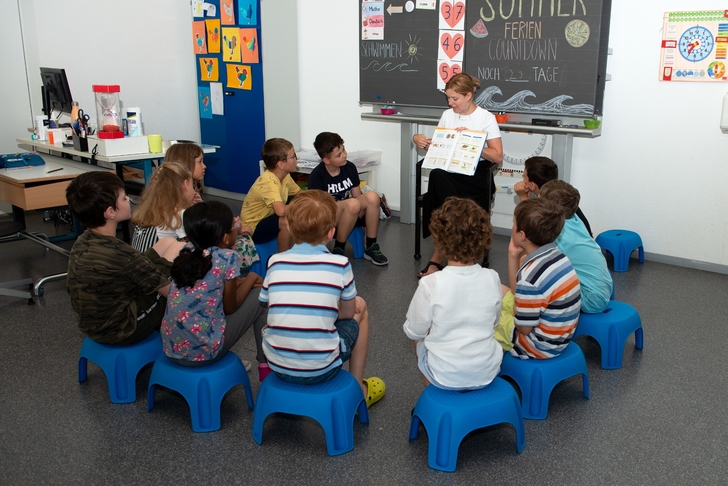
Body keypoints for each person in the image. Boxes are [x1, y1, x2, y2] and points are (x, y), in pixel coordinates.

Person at [259, 190, 385, 406]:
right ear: (331, 233)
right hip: (321, 369)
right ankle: (358, 391)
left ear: (289, 227)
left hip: (277, 364)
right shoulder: (340, 265)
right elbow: (346, 314)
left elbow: (268, 303)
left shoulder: (275, 262)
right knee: (360, 306)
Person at [66, 171, 185, 345]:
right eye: (123, 198)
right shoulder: (121, 253)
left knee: (167, 242)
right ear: (110, 212)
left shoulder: (83, 241)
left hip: (93, 324)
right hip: (123, 329)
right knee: (178, 247)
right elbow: (170, 293)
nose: (128, 200)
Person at [403, 197, 504, 390]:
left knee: (419, 337)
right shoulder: (492, 277)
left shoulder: (430, 283)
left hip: (444, 376)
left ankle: (432, 395)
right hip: (487, 372)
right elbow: (495, 322)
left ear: (439, 241)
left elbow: (413, 330)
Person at [413, 72, 503, 277]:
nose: (451, 103)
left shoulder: (485, 118)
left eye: (455, 98)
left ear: (469, 95)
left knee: (440, 186)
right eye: (448, 98)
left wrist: (471, 141)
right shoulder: (447, 115)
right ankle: (450, 250)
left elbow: (497, 156)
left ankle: (438, 256)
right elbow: (440, 146)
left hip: (476, 175)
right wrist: (419, 139)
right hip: (451, 171)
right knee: (437, 175)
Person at [161, 201, 268, 371]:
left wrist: (244, 282)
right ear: (225, 237)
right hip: (204, 353)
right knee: (261, 296)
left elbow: (212, 287)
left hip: (171, 348)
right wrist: (251, 278)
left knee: (251, 287)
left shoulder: (188, 251)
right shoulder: (226, 257)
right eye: (234, 225)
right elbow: (230, 307)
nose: (237, 226)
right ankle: (265, 366)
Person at [505, 198, 581, 359]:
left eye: (513, 223)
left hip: (537, 346)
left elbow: (524, 329)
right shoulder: (557, 256)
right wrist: (513, 255)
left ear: (522, 235)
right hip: (559, 337)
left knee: (487, 315)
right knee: (499, 290)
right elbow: (516, 292)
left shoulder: (530, 277)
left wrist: (514, 311)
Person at [308, 132, 388, 265]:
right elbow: (319, 210)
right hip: (328, 218)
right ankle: (339, 248)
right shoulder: (317, 176)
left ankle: (371, 245)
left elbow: (357, 196)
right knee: (352, 204)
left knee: (373, 197)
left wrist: (365, 223)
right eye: (338, 155)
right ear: (326, 160)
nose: (344, 155)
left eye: (343, 149)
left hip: (351, 212)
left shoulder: (350, 167)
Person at [540, 180, 612, 313]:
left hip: (592, 299)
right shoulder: (574, 220)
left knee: (540, 272)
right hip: (602, 288)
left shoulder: (560, 233)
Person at [241, 138, 300, 253]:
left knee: (295, 211)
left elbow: (299, 194)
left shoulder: (285, 176)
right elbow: (281, 211)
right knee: (287, 220)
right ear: (280, 164)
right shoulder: (269, 180)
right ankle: (282, 260)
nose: (296, 159)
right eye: (293, 156)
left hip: (267, 218)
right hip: (253, 227)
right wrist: (303, 207)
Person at [513, 156, 593, 236]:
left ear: (533, 185)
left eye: (524, 177)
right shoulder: (563, 198)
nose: (523, 180)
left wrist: (523, 197)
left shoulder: (548, 209)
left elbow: (528, 230)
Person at [130, 161, 197, 252]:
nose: (194, 191)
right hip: (158, 264)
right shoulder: (179, 214)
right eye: (192, 186)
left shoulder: (149, 210)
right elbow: (192, 246)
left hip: (139, 261)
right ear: (185, 185)